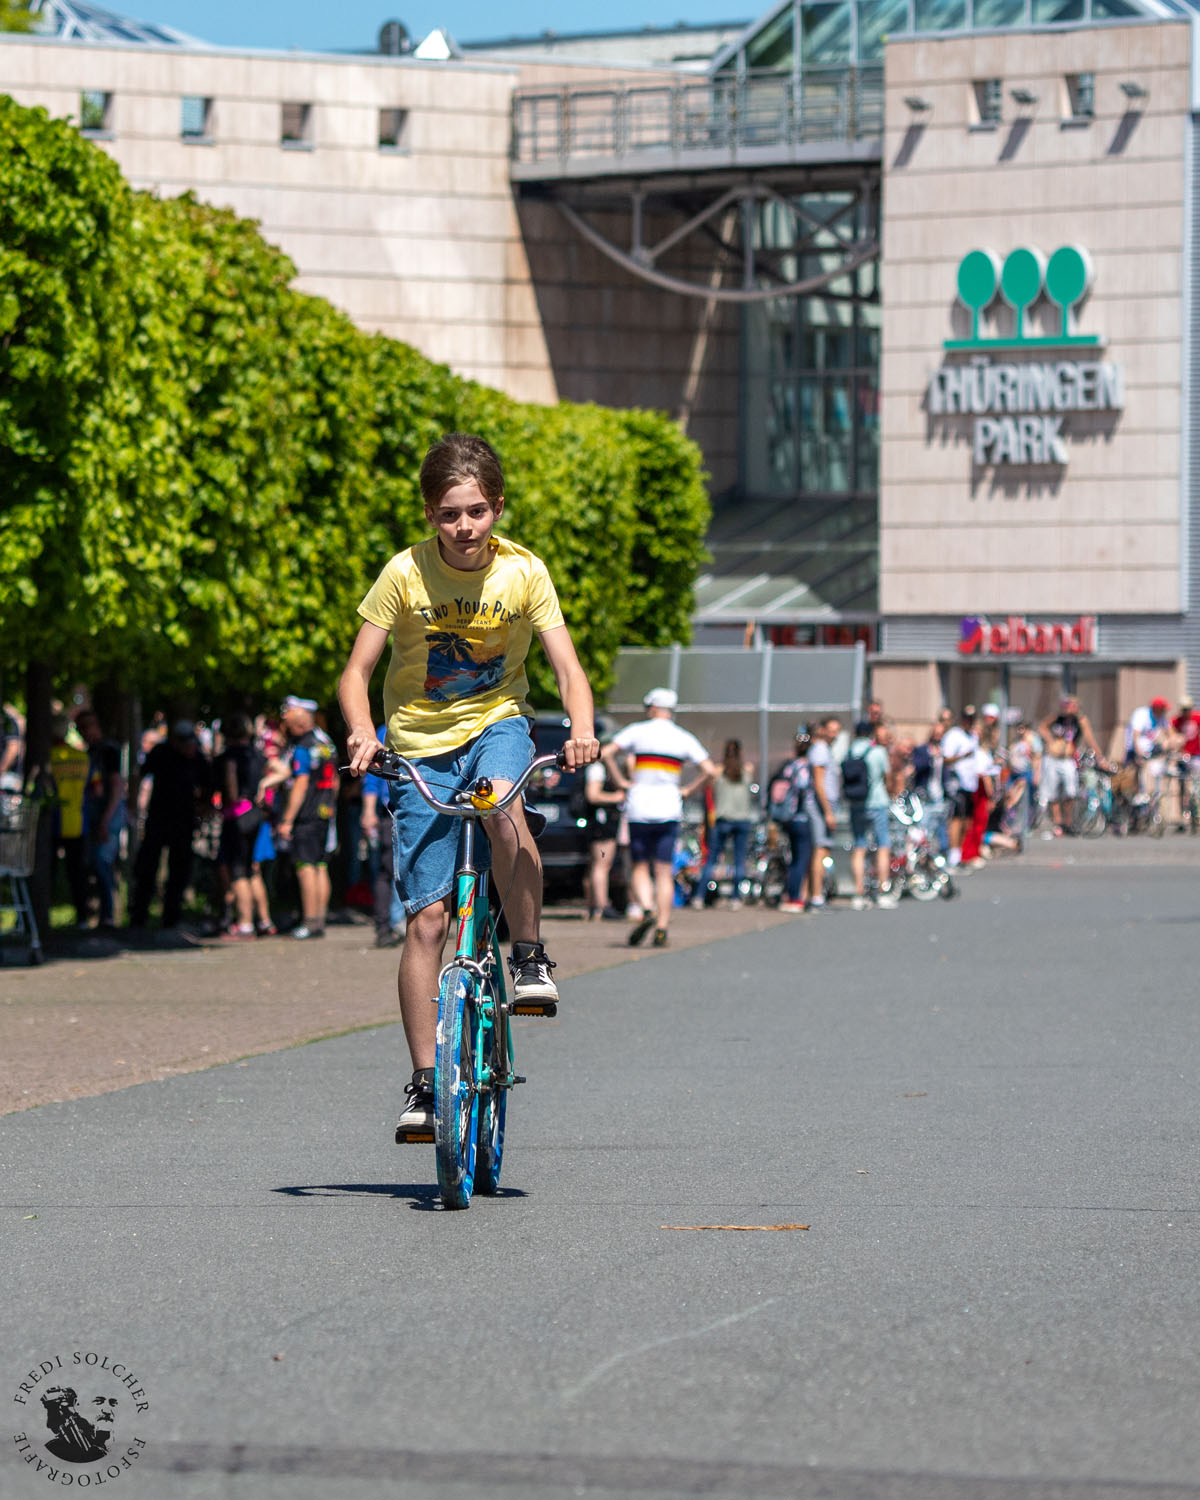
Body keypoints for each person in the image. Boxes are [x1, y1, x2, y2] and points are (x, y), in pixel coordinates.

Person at [339, 432, 599, 1138]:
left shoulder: (524, 572)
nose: (464, 526)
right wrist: (362, 732)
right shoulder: (404, 574)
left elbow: (568, 668)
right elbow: (355, 673)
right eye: (450, 514)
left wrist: (581, 728)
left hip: (497, 725)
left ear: (498, 508)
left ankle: (530, 955)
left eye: (477, 511)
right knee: (426, 921)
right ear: (430, 514)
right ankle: (426, 1085)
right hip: (419, 747)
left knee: (501, 805)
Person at [602, 689, 715, 946]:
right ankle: (662, 926)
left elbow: (607, 753)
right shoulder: (682, 737)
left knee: (640, 866)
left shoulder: (638, 731)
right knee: (664, 871)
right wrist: (688, 790)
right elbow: (709, 770)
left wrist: (621, 781)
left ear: (652, 708)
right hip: (668, 807)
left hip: (639, 806)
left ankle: (647, 908)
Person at [128, 719, 209, 929]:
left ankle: (171, 917)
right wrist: (133, 803)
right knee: (147, 868)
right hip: (159, 818)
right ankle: (139, 915)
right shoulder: (160, 752)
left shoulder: (197, 757)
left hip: (184, 821)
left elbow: (207, 787)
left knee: (179, 870)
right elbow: (140, 774)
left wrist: (202, 809)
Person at [276, 696, 339, 940]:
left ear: (299, 724)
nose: (287, 728)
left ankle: (309, 921)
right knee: (321, 866)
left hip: (306, 815)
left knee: (305, 867)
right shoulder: (326, 744)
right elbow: (335, 781)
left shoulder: (302, 747)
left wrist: (287, 819)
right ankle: (319, 920)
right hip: (324, 812)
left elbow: (300, 784)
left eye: (289, 724)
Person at [214, 712, 272, 940]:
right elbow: (279, 769)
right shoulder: (258, 755)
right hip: (256, 814)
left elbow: (230, 782)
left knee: (238, 871)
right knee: (252, 870)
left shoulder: (228, 757)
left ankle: (245, 923)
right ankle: (264, 920)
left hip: (237, 815)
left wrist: (232, 798)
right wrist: (264, 788)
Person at [76, 709, 126, 930]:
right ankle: (100, 913)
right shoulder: (90, 752)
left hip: (108, 814)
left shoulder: (108, 751)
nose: (85, 732)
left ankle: (108, 915)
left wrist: (106, 819)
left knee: (101, 861)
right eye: (81, 728)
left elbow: (116, 787)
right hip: (95, 814)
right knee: (93, 862)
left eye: (88, 726)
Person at [695, 739, 756, 909]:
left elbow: (708, 788)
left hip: (722, 820)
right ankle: (735, 898)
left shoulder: (717, 771)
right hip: (742, 820)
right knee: (739, 861)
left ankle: (699, 896)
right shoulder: (747, 770)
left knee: (711, 859)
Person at [360, 723, 406, 947]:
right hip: (390, 811)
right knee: (388, 869)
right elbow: (372, 778)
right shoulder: (384, 731)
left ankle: (400, 922)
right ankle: (386, 925)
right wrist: (369, 812)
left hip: (418, 808)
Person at [844, 721, 897, 909]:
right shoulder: (877, 751)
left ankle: (859, 893)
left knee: (859, 846)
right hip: (877, 802)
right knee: (883, 845)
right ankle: (882, 891)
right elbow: (888, 777)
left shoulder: (850, 751)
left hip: (856, 803)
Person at [1039, 694, 1103, 836]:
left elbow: (1090, 738)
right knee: (1053, 792)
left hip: (1068, 759)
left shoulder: (1080, 720)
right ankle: (1058, 822)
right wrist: (1050, 740)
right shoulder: (1057, 718)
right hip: (1053, 758)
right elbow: (1042, 726)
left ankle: (1068, 822)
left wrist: (1100, 757)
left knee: (1071, 792)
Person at [49, 712, 90, 927]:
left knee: (49, 871)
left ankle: (42, 915)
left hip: (53, 821)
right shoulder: (82, 757)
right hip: (77, 820)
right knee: (77, 873)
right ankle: (82, 917)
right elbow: (95, 788)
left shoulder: (48, 757)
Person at [583, 748, 624, 920]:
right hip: (602, 824)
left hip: (599, 823)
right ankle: (602, 906)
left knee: (595, 865)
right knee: (602, 865)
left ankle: (593, 907)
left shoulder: (596, 768)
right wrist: (617, 797)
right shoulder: (597, 769)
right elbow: (593, 795)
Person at [804, 717, 840, 910]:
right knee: (820, 849)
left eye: (837, 730)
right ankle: (816, 896)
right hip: (820, 806)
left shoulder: (824, 749)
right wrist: (827, 812)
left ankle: (813, 893)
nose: (834, 734)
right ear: (823, 730)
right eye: (831, 730)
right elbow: (819, 784)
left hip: (824, 805)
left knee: (822, 849)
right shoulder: (820, 749)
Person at [940, 706, 979, 868]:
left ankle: (961, 852)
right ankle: (953, 853)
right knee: (956, 818)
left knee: (967, 819)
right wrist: (962, 756)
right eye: (966, 719)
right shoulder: (954, 735)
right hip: (957, 783)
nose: (969, 722)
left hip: (970, 783)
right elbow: (946, 758)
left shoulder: (974, 736)